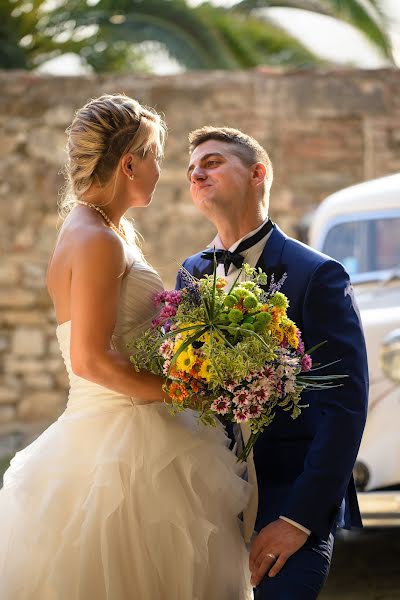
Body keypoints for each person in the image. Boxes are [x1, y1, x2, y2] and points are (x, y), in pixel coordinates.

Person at [0, 97, 252, 600]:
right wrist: (187, 392)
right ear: (129, 162)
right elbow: (89, 358)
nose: (164, 170)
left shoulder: (100, 229)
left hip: (124, 428)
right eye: (156, 155)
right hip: (124, 446)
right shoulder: (96, 239)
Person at [176, 126, 369, 599]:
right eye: (192, 168)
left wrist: (299, 520)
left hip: (288, 503)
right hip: (207, 506)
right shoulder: (190, 274)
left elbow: (345, 408)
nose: (197, 172)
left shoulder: (317, 275)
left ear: (258, 173)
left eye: (214, 162)